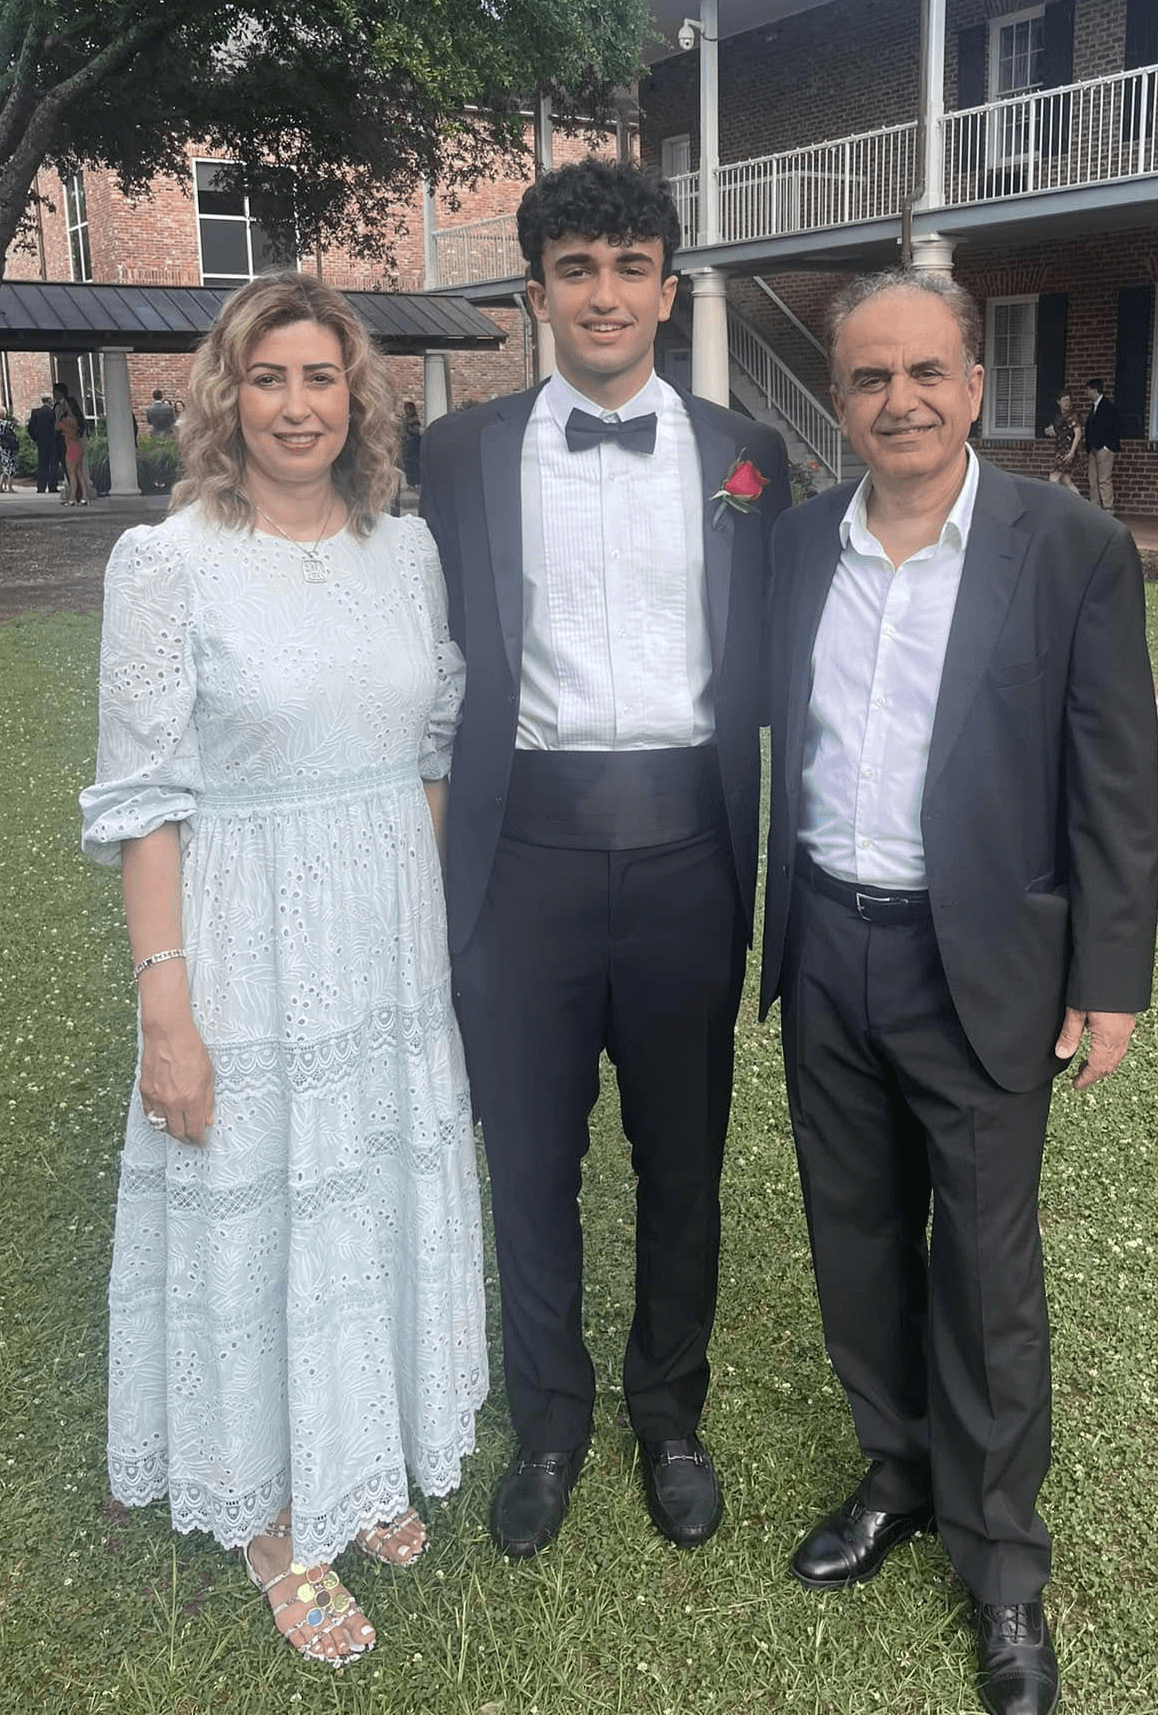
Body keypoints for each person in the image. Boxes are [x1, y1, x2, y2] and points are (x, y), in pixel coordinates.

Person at [762, 269, 1158, 1715]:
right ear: (841, 394)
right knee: (855, 1237)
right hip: (827, 947)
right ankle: (899, 1470)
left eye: (926, 372)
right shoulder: (801, 545)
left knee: (985, 1277)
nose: (900, 402)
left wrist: (1110, 978)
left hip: (981, 963)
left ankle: (1002, 1569)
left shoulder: (1072, 546)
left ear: (974, 385)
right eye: (870, 379)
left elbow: (1115, 778)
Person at [79, 272, 488, 1670]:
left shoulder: (407, 551)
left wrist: (415, 939)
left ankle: (355, 1455)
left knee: (368, 1196)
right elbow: (145, 804)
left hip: (385, 941)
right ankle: (275, 1524)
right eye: (270, 379)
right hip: (246, 945)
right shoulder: (170, 564)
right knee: (266, 1220)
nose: (298, 405)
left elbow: (427, 757)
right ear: (226, 397)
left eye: (322, 378)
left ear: (357, 396)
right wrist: (166, 1009)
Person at [422, 159, 788, 1560]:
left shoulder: (748, 451)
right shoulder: (461, 456)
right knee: (530, 1157)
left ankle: (670, 1413)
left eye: (631, 267)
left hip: (694, 852)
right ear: (535, 294)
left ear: (668, 289)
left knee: (683, 1157)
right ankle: (553, 1418)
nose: (605, 295)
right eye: (576, 269)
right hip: (526, 862)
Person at [1082, 377, 1120, 511]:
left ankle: (1108, 507)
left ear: (1094, 390)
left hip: (1104, 448)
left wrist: (1106, 446)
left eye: (1088, 390)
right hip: (1093, 448)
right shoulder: (1093, 408)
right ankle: (1095, 506)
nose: (1087, 393)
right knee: (1093, 479)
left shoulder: (1108, 406)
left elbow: (1114, 427)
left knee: (1104, 479)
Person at [55, 383, 88, 507]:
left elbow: (56, 426)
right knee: (79, 473)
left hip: (71, 447)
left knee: (71, 473)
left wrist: (60, 413)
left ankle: (72, 498)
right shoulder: (77, 421)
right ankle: (84, 497)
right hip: (78, 446)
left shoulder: (66, 420)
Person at [1041, 391, 1081, 492]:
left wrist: (1072, 452)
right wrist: (1050, 432)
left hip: (1066, 452)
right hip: (1060, 451)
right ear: (1058, 402)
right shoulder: (1059, 417)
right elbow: (1061, 432)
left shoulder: (1072, 416)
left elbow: (1078, 434)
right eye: (1064, 400)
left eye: (1068, 400)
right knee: (1066, 480)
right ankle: (1080, 501)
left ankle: (1054, 504)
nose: (1067, 403)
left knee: (1053, 478)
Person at [28, 395, 59, 493]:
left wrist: (36, 438)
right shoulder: (52, 412)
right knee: (53, 464)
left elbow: (30, 428)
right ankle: (52, 486)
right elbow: (55, 427)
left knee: (42, 464)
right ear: (49, 401)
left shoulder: (36, 413)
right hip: (52, 442)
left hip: (41, 442)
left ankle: (41, 487)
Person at [0, 406, 19, 491]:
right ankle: (10, 487)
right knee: (10, 466)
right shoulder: (7, 423)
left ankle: (0, 486)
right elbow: (13, 433)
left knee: (4, 467)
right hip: (8, 447)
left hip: (0, 447)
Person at [401, 399, 423, 490]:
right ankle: (410, 483)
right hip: (407, 442)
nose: (406, 411)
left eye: (407, 409)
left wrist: (407, 425)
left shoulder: (414, 419)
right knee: (408, 463)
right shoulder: (406, 419)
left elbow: (416, 430)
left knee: (413, 463)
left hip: (413, 442)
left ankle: (415, 482)